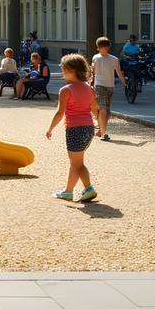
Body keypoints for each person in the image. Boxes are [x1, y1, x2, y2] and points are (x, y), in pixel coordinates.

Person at [46, 53, 101, 203]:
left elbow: (59, 113)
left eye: (63, 70)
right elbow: (96, 110)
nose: (63, 74)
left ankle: (88, 188)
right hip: (88, 129)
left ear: (70, 70)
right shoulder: (89, 88)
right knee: (75, 162)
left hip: (74, 129)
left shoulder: (66, 90)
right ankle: (68, 191)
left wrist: (50, 128)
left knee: (77, 163)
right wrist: (101, 127)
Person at [91, 36, 126, 141]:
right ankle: (103, 131)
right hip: (110, 85)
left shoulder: (95, 58)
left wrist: (90, 82)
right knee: (105, 108)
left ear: (98, 47)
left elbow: (93, 71)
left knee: (103, 108)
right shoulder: (114, 59)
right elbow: (118, 72)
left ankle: (102, 130)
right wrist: (124, 82)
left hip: (99, 85)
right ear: (109, 46)